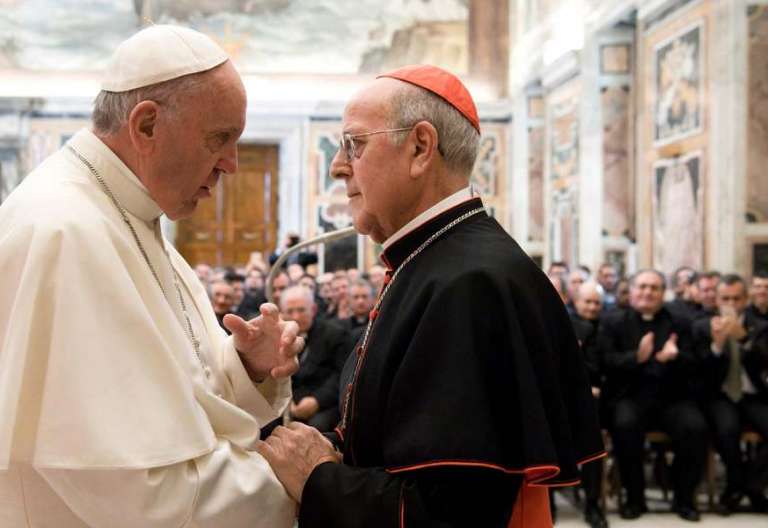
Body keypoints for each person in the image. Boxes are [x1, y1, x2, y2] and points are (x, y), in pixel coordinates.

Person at [255, 64, 603, 527]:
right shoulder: (431, 261)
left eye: (354, 144)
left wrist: (320, 478)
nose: (338, 166)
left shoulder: (470, 284)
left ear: (420, 148)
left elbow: (451, 512)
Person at [0, 25, 303, 527]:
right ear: (146, 126)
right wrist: (297, 484)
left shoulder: (128, 216)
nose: (231, 164)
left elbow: (178, 402)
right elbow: (130, 490)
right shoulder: (64, 232)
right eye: (219, 139)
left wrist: (246, 369)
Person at [598, 270, 708, 521]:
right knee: (624, 426)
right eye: (642, 287)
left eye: (654, 288)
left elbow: (696, 363)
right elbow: (606, 361)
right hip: (630, 396)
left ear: (663, 293)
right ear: (632, 291)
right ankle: (634, 499)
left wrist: (675, 357)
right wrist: (636, 358)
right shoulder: (613, 322)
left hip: (671, 397)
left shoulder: (680, 322)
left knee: (695, 427)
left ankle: (684, 499)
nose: (647, 292)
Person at [692, 274, 768, 514]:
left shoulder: (761, 326)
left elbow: (765, 361)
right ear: (716, 300)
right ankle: (734, 487)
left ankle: (752, 485)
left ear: (746, 299)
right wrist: (716, 347)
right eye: (725, 299)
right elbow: (699, 374)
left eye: (736, 298)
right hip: (720, 395)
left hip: (753, 393)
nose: (731, 304)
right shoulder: (701, 326)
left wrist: (743, 338)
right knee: (727, 430)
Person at [281, 286, 349, 433]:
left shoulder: (335, 334)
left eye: (301, 310)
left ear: (313, 309)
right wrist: (286, 401)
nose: (296, 317)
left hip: (324, 403)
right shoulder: (277, 337)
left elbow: (341, 375)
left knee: (316, 427)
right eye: (290, 311)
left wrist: (317, 400)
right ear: (282, 313)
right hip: (287, 402)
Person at [569, 282, 608, 528]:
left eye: (597, 303)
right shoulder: (564, 324)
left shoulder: (607, 326)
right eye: (587, 302)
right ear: (576, 302)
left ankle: (592, 503)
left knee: (595, 438)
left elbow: (604, 366)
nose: (592, 307)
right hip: (568, 396)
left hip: (599, 399)